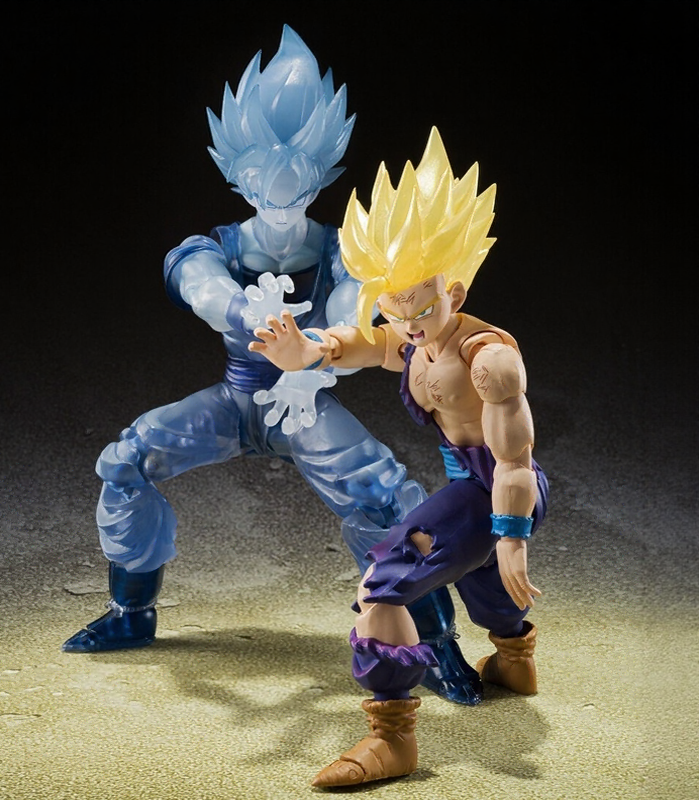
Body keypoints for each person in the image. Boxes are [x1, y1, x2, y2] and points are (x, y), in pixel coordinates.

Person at [62, 28, 480, 706]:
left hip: (306, 404)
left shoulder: (346, 252)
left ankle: (435, 642)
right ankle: (130, 612)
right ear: (238, 174)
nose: (280, 192)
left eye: (296, 175)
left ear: (321, 173)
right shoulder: (214, 246)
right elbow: (199, 284)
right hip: (237, 400)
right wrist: (244, 312)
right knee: (127, 461)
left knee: (385, 499)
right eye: (263, 176)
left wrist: (315, 354)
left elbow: (352, 312)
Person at [250, 125, 549, 786]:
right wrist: (309, 351)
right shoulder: (416, 335)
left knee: (383, 583)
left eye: (420, 307)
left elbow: (514, 460)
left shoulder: (487, 360)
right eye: (394, 306)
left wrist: (512, 536)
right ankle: (515, 661)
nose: (407, 323)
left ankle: (393, 740)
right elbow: (371, 344)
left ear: (455, 294)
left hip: (499, 490)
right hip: (475, 490)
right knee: (476, 575)